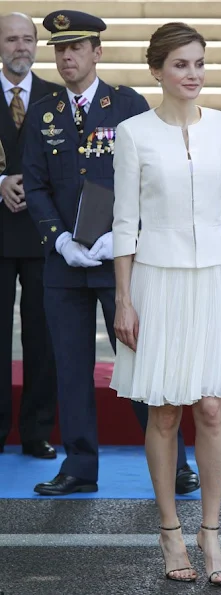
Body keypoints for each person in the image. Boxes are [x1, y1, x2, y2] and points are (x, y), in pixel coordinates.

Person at [110, 22, 221, 585]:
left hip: (215, 280)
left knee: (212, 408)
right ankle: (170, 532)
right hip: (158, 280)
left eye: (199, 63)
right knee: (165, 410)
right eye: (181, 65)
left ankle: (211, 534)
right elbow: (124, 224)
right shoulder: (133, 134)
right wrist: (124, 300)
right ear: (157, 70)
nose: (193, 74)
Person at [23, 10, 198, 496]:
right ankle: (79, 466)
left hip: (119, 263)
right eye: (59, 49)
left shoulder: (125, 105)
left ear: (97, 52)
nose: (66, 57)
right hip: (64, 264)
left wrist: (125, 235)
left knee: (141, 361)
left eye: (76, 48)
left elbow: (150, 176)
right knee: (70, 365)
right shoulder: (44, 111)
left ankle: (175, 461)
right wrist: (58, 239)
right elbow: (35, 185)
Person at [0, 12, 59, 459]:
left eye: (27, 39)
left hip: (43, 238)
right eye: (11, 40)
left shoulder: (57, 99)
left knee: (43, 337)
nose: (21, 47)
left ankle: (37, 431)